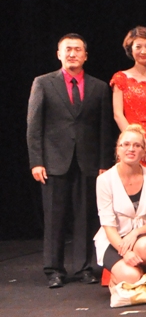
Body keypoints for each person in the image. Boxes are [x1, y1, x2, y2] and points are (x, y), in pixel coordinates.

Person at [28, 33, 114, 288]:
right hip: (54, 162)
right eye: (68, 49)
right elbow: (34, 126)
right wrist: (36, 161)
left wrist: (104, 162)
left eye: (77, 50)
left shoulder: (98, 87)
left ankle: (84, 267)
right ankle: (54, 269)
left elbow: (104, 129)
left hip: (88, 162)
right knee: (54, 218)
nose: (72, 53)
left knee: (85, 217)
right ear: (59, 54)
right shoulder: (43, 83)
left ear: (85, 55)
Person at [94, 125, 146, 287]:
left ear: (144, 151)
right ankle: (133, 279)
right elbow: (108, 225)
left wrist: (136, 232)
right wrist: (125, 251)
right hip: (114, 240)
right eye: (126, 144)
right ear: (118, 149)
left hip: (141, 237)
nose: (131, 149)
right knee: (131, 276)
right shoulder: (104, 180)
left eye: (137, 145)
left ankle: (137, 280)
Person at [111, 27, 146, 169]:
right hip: (129, 143)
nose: (143, 51)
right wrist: (136, 142)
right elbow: (118, 114)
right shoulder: (121, 78)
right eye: (138, 47)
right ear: (131, 49)